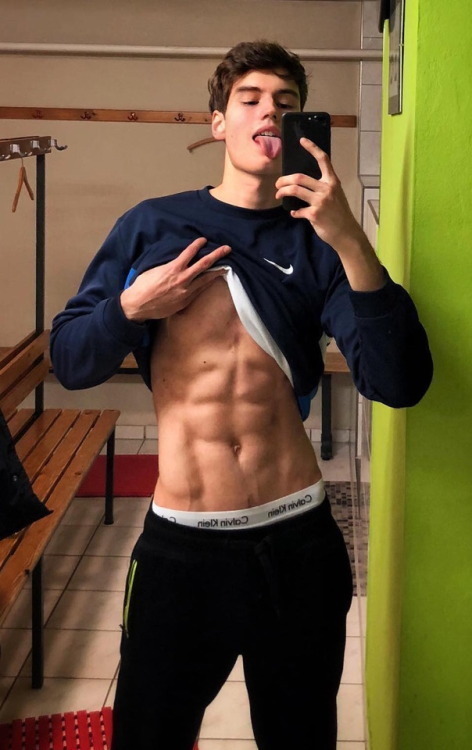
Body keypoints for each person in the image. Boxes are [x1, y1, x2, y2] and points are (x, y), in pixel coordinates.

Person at [50, 40, 432, 750]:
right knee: (149, 736)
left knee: (299, 737)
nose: (269, 112)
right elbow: (69, 360)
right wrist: (132, 307)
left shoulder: (321, 244)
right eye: (250, 99)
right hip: (181, 550)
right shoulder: (152, 225)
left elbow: (399, 383)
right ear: (218, 122)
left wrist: (350, 238)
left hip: (298, 543)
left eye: (286, 103)